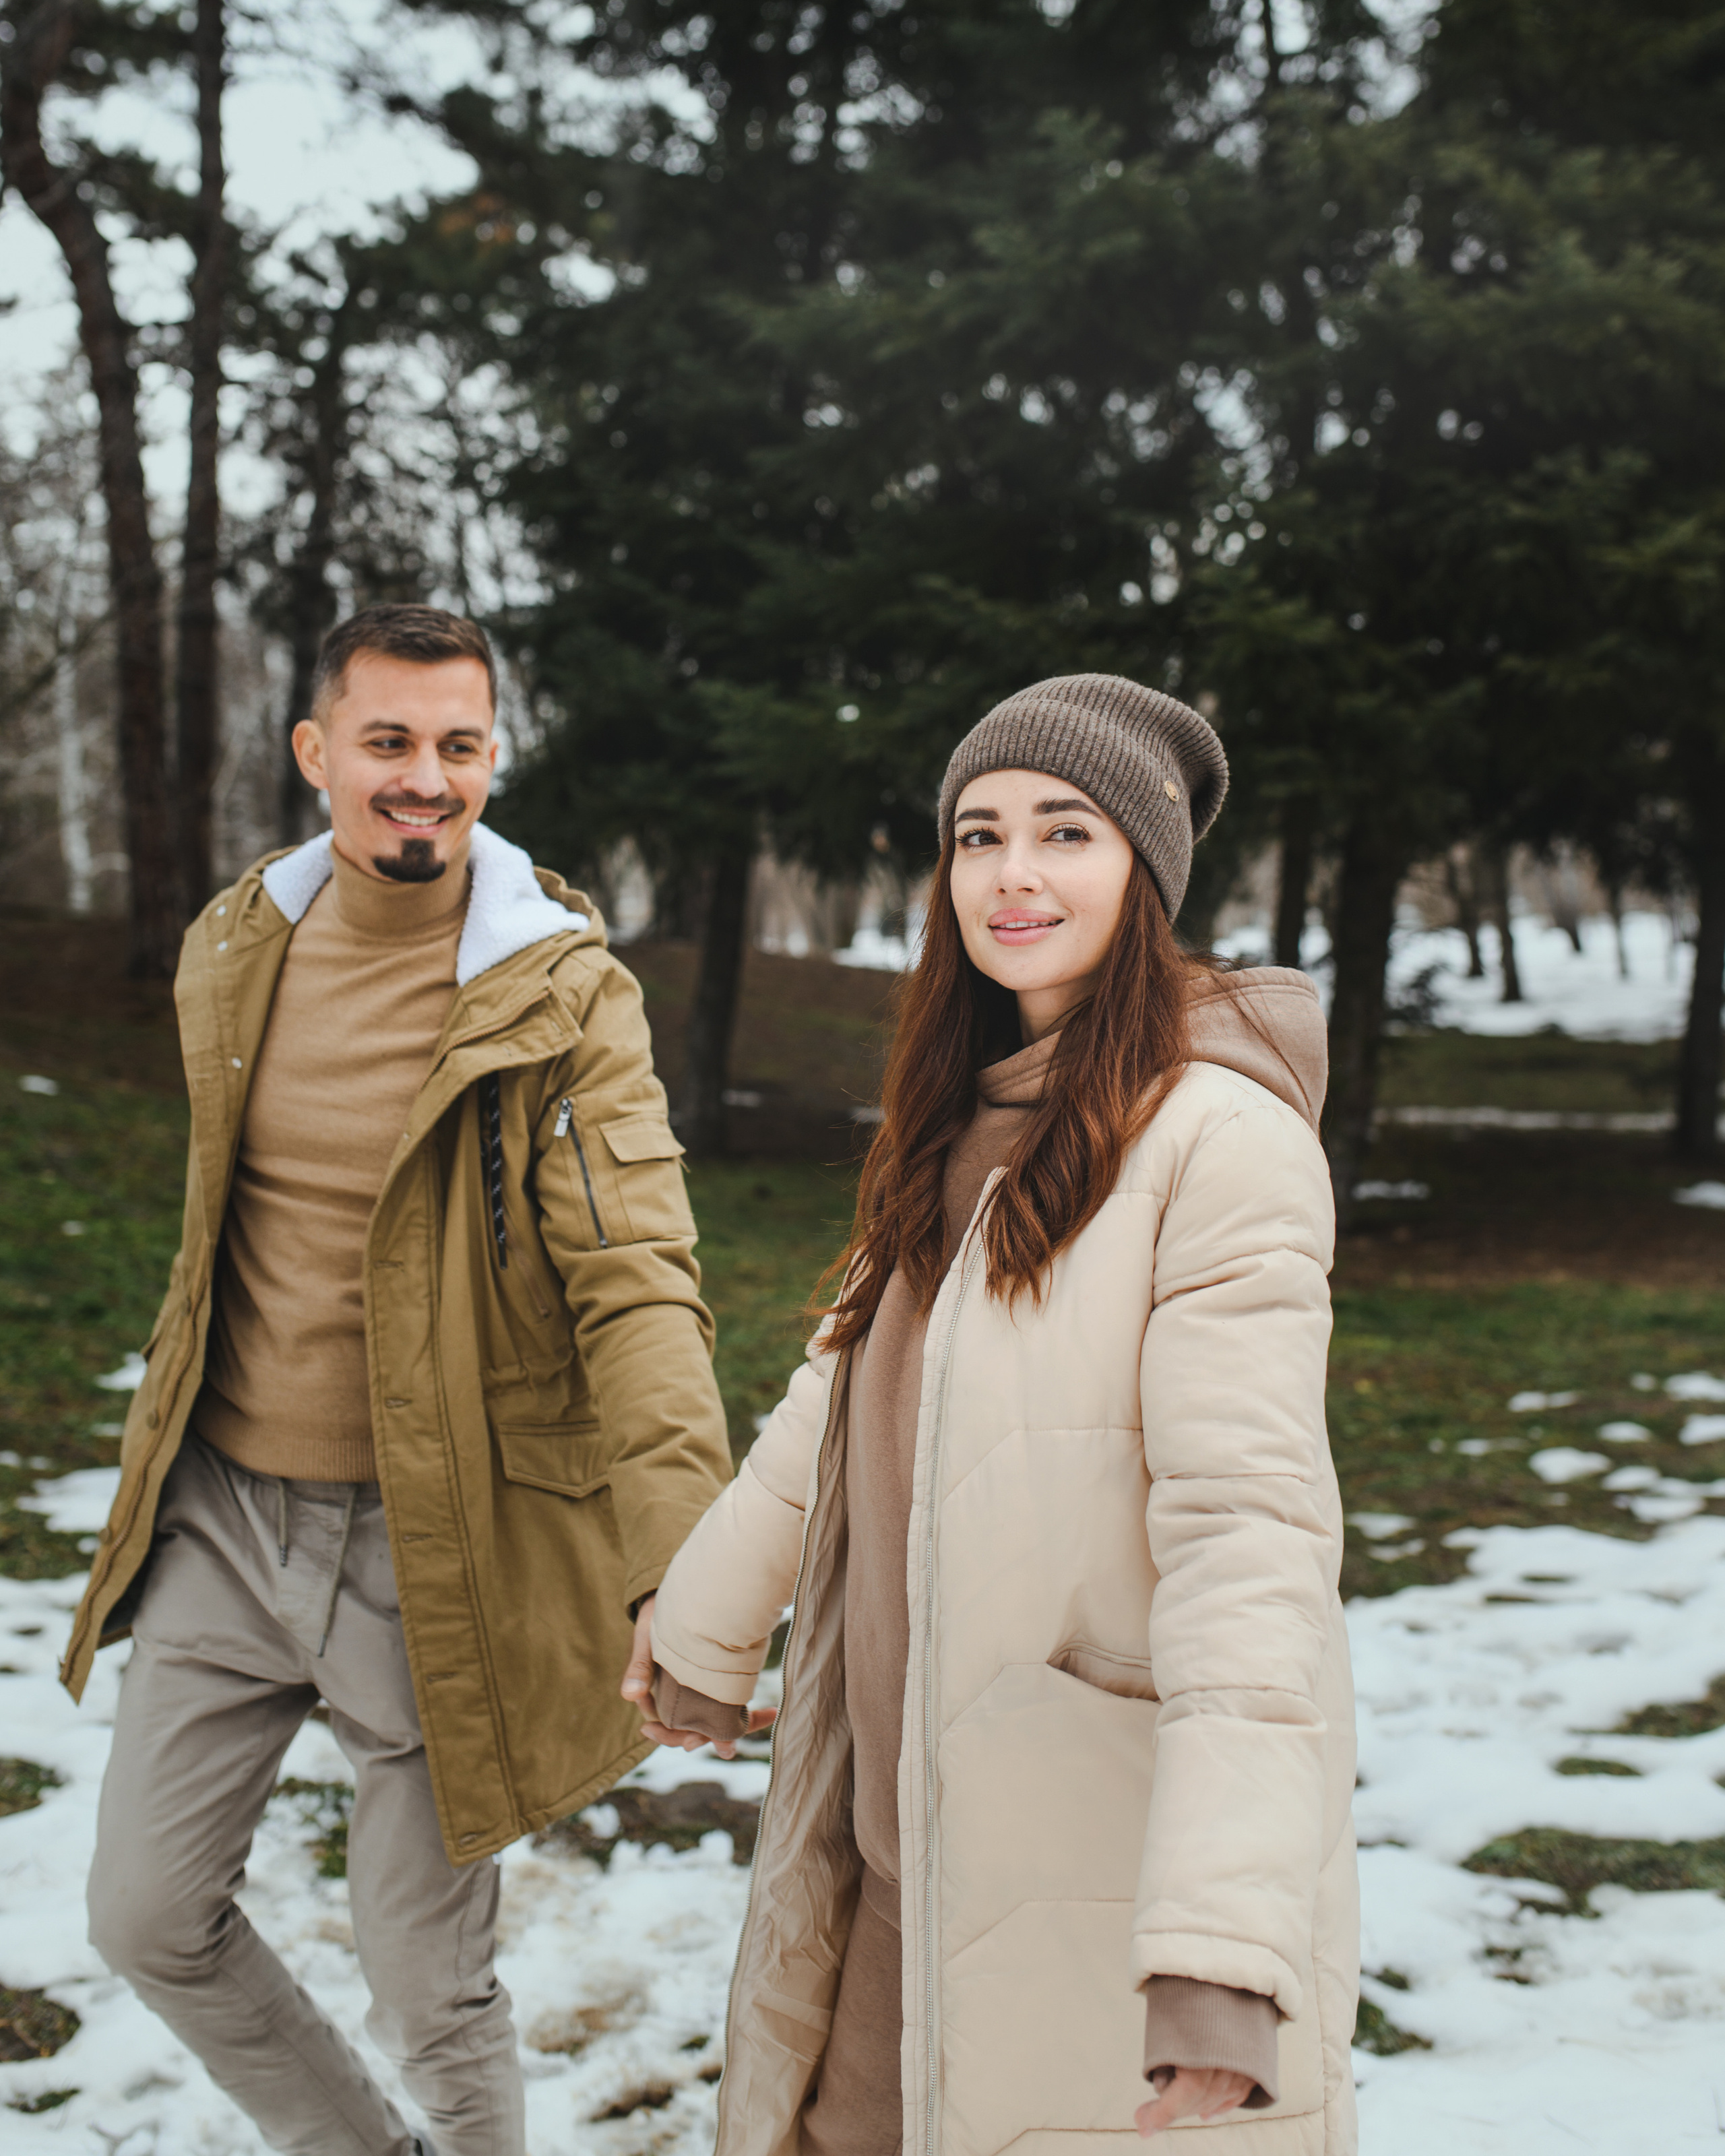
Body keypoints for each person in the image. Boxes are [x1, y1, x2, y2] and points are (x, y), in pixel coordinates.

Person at [621, 673, 1359, 2154]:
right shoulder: (957, 1118)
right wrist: (700, 1632)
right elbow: (833, 1405)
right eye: (977, 834)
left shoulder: (1219, 1145)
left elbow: (1249, 1547)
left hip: (1083, 1889)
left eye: (1064, 831)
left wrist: (1220, 1952)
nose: (1011, 874)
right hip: (894, 1867)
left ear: (1142, 872)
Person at [63, 603, 734, 2156]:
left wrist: (682, 1563)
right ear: (318, 754)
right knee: (145, 1914)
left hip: (437, 1543)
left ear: (492, 759)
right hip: (224, 1515)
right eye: (388, 742)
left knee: (427, 1980)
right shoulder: (232, 952)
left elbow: (637, 1281)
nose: (423, 777)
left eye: (457, 745)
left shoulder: (562, 996)